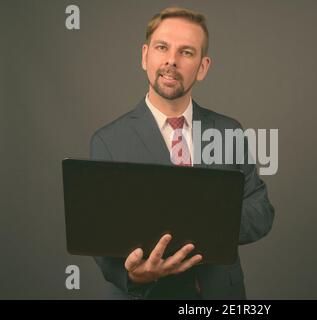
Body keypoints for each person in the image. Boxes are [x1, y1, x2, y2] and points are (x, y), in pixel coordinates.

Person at [90, 6, 275, 300]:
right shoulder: (108, 141)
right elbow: (99, 233)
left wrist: (203, 225)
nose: (171, 61)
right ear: (144, 55)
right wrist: (132, 274)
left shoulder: (229, 131)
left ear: (202, 67)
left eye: (186, 52)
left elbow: (261, 210)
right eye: (162, 47)